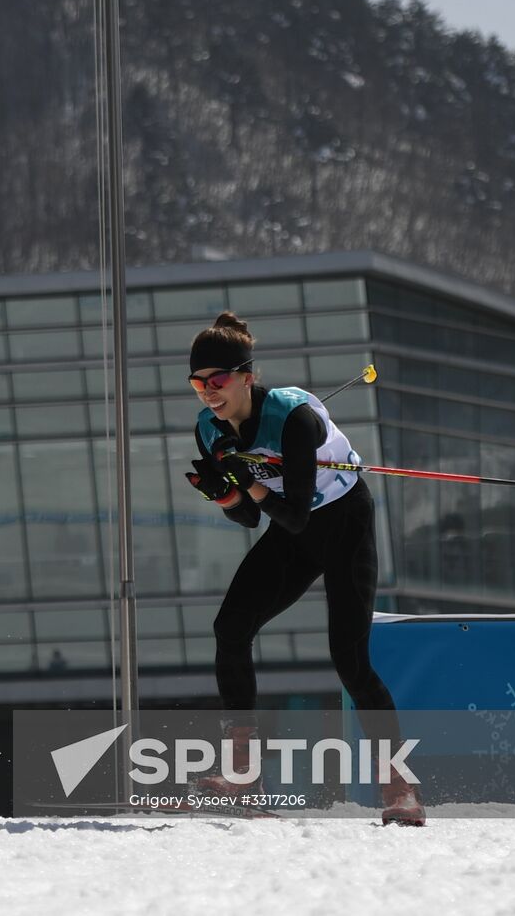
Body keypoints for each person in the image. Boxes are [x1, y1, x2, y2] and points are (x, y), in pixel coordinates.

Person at [182, 311, 424, 826]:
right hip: (294, 534)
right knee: (231, 627)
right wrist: (226, 493)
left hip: (342, 524)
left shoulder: (295, 418)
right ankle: (244, 776)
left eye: (218, 380)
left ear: (246, 376)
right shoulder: (208, 427)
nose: (208, 392)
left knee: (349, 659)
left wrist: (244, 477)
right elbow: (251, 518)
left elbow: (291, 512)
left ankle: (400, 786)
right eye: (198, 383)